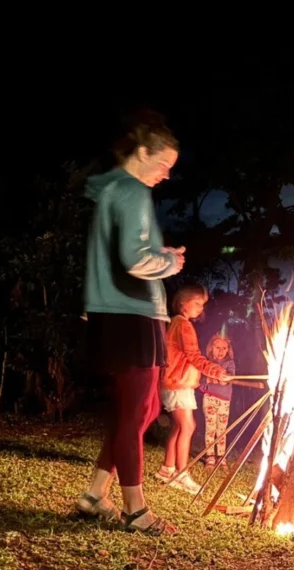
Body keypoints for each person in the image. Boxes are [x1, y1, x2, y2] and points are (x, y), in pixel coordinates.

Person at [76, 110, 185, 535]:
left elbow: (109, 258)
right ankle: (136, 511)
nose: (165, 174)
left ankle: (93, 494)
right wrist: (170, 261)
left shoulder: (111, 192)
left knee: (142, 410)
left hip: (125, 312)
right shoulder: (131, 190)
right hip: (130, 314)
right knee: (135, 411)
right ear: (142, 152)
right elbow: (136, 259)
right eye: (163, 164)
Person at [156, 286, 231, 493]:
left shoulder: (175, 323)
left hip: (177, 382)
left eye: (202, 305)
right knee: (188, 427)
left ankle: (167, 469)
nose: (200, 308)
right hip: (178, 383)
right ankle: (182, 474)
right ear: (183, 302)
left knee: (178, 427)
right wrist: (216, 371)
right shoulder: (183, 326)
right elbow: (194, 356)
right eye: (196, 303)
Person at [199, 331, 236, 468]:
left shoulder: (229, 363)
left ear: (228, 349)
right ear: (211, 347)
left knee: (222, 429)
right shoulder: (207, 362)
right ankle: (210, 456)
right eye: (217, 347)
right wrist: (210, 379)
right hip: (210, 398)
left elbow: (230, 378)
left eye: (224, 348)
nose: (221, 351)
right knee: (210, 428)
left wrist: (224, 380)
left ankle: (221, 456)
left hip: (225, 400)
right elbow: (202, 381)